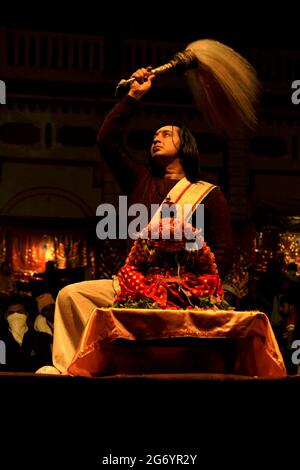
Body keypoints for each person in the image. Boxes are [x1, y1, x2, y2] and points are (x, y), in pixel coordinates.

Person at [51, 67, 233, 374]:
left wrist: (197, 289)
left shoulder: (208, 194)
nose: (156, 139)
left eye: (165, 134)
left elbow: (223, 250)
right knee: (71, 296)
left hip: (183, 292)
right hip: (132, 285)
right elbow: (107, 140)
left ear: (185, 144)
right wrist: (133, 96)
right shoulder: (139, 179)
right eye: (153, 136)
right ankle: (73, 368)